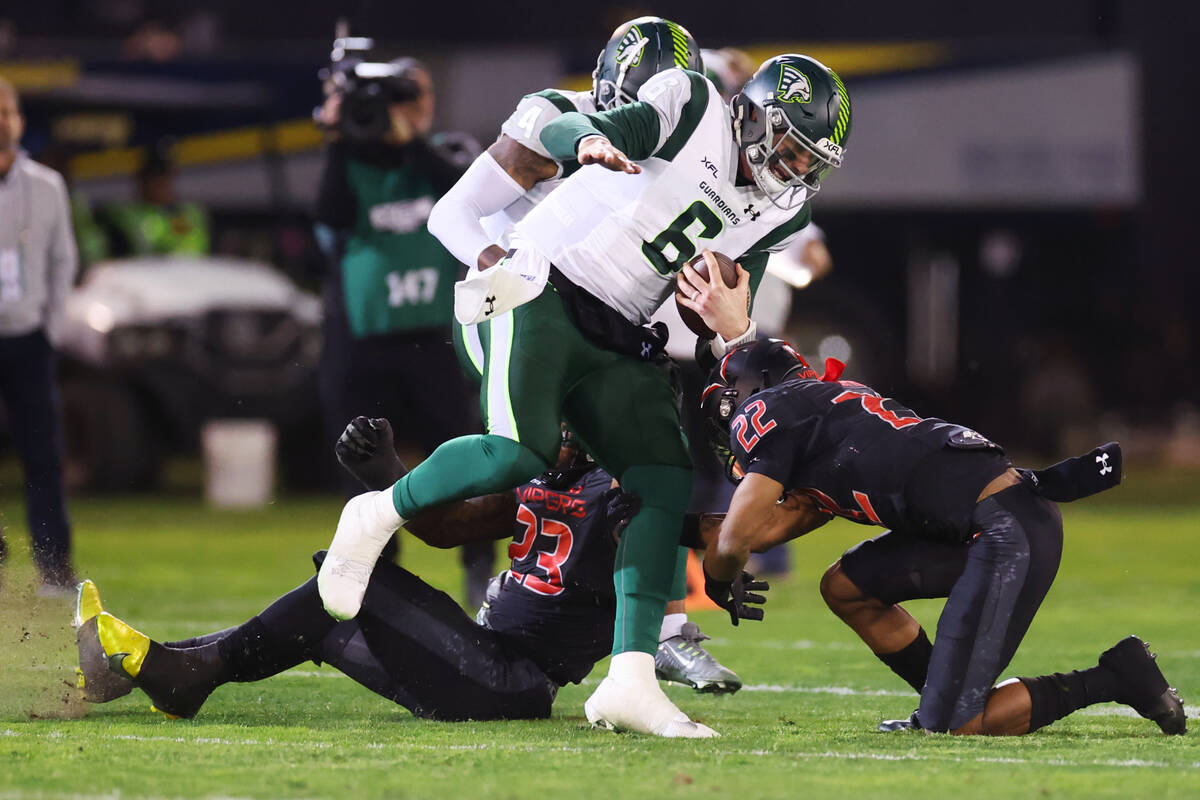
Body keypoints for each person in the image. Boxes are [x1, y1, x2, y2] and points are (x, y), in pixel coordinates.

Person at [319, 46, 853, 737]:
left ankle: (630, 681)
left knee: (661, 475)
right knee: (521, 452)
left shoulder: (780, 210)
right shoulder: (691, 103)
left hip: (617, 330)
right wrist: (594, 142)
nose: (796, 167)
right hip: (538, 284)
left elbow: (724, 299)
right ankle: (374, 514)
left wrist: (730, 346)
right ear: (753, 112)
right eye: (791, 145)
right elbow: (569, 128)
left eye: (811, 159)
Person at [72, 417, 765, 719]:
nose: (549, 429)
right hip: (479, 661)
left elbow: (710, 530)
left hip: (510, 684)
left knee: (351, 577)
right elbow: (441, 529)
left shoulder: (627, 491)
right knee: (329, 610)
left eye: (562, 419)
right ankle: (154, 670)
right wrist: (390, 475)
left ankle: (177, 675)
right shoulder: (535, 478)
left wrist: (725, 573)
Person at [439, 17, 738, 694]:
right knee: (536, 463)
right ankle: (502, 590)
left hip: (595, 324)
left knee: (641, 470)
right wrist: (509, 272)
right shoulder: (555, 115)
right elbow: (449, 216)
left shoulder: (674, 145)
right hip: (522, 311)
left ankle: (649, 635)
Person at [700, 338, 1187, 736]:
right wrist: (667, 525)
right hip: (982, 522)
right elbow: (760, 533)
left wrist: (719, 580)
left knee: (959, 724)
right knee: (847, 587)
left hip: (1004, 528)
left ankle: (1116, 676)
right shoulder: (825, 417)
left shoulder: (766, 411)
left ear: (748, 389)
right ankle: (942, 695)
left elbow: (737, 538)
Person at [312, 57, 494, 602]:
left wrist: (409, 139)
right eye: (399, 95)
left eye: (415, 92)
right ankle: (379, 578)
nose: (409, 104)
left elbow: (462, 192)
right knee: (361, 461)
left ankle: (480, 566)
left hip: (429, 334)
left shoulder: (447, 153)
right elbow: (330, 213)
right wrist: (341, 135)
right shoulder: (349, 159)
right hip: (363, 338)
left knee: (462, 453)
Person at [0, 77, 79, 592]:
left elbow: (62, 261)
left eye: (5, 110)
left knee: (43, 456)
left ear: (20, 119)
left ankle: (53, 567)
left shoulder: (47, 186)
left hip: (28, 337)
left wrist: (49, 329)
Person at [101, 142, 209, 257]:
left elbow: (196, 250)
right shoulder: (121, 215)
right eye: (153, 175)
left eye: (165, 175)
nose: (160, 183)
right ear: (140, 179)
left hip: (187, 272)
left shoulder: (190, 213)